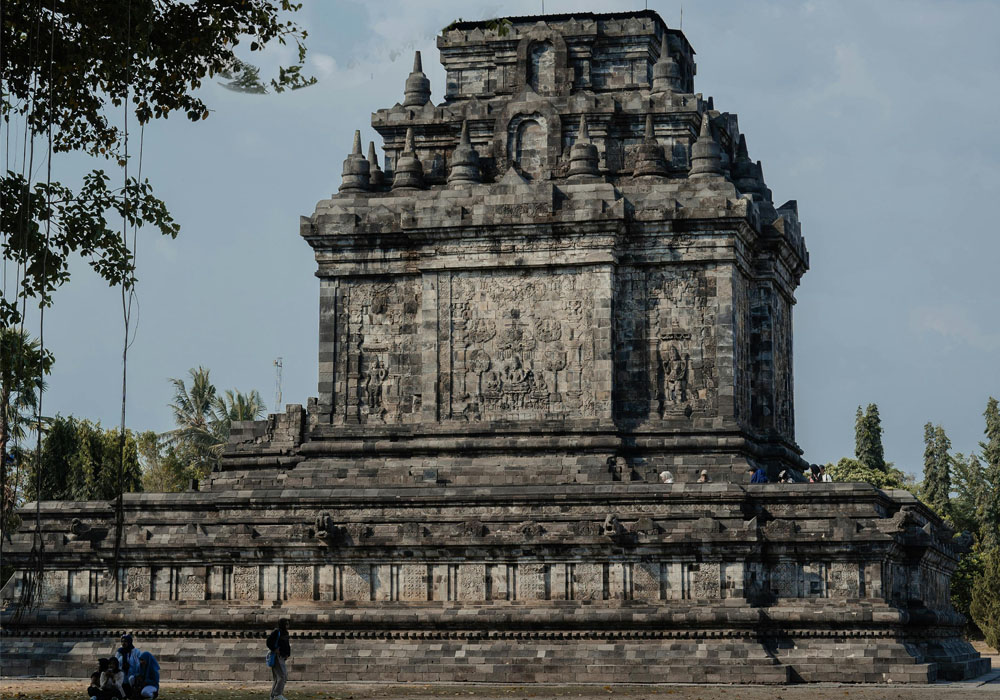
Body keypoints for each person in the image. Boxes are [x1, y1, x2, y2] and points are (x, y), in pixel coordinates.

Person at [266, 618, 291, 700]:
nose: (288, 626)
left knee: (278, 677)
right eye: (286, 624)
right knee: (282, 676)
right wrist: (274, 649)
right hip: (277, 657)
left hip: (282, 657)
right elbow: (269, 642)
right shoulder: (277, 632)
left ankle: (273, 696)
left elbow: (286, 645)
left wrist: (287, 654)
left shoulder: (285, 633)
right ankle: (277, 694)